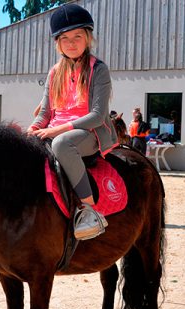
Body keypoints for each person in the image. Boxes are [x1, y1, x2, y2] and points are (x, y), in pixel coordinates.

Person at [27, 3, 117, 240]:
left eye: (77, 36)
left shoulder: (98, 69)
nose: (71, 42)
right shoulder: (54, 72)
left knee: (61, 144)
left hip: (89, 132)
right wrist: (34, 128)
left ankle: (89, 210)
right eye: (65, 38)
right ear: (58, 43)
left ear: (88, 38)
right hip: (56, 129)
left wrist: (56, 130)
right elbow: (44, 112)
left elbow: (97, 115)